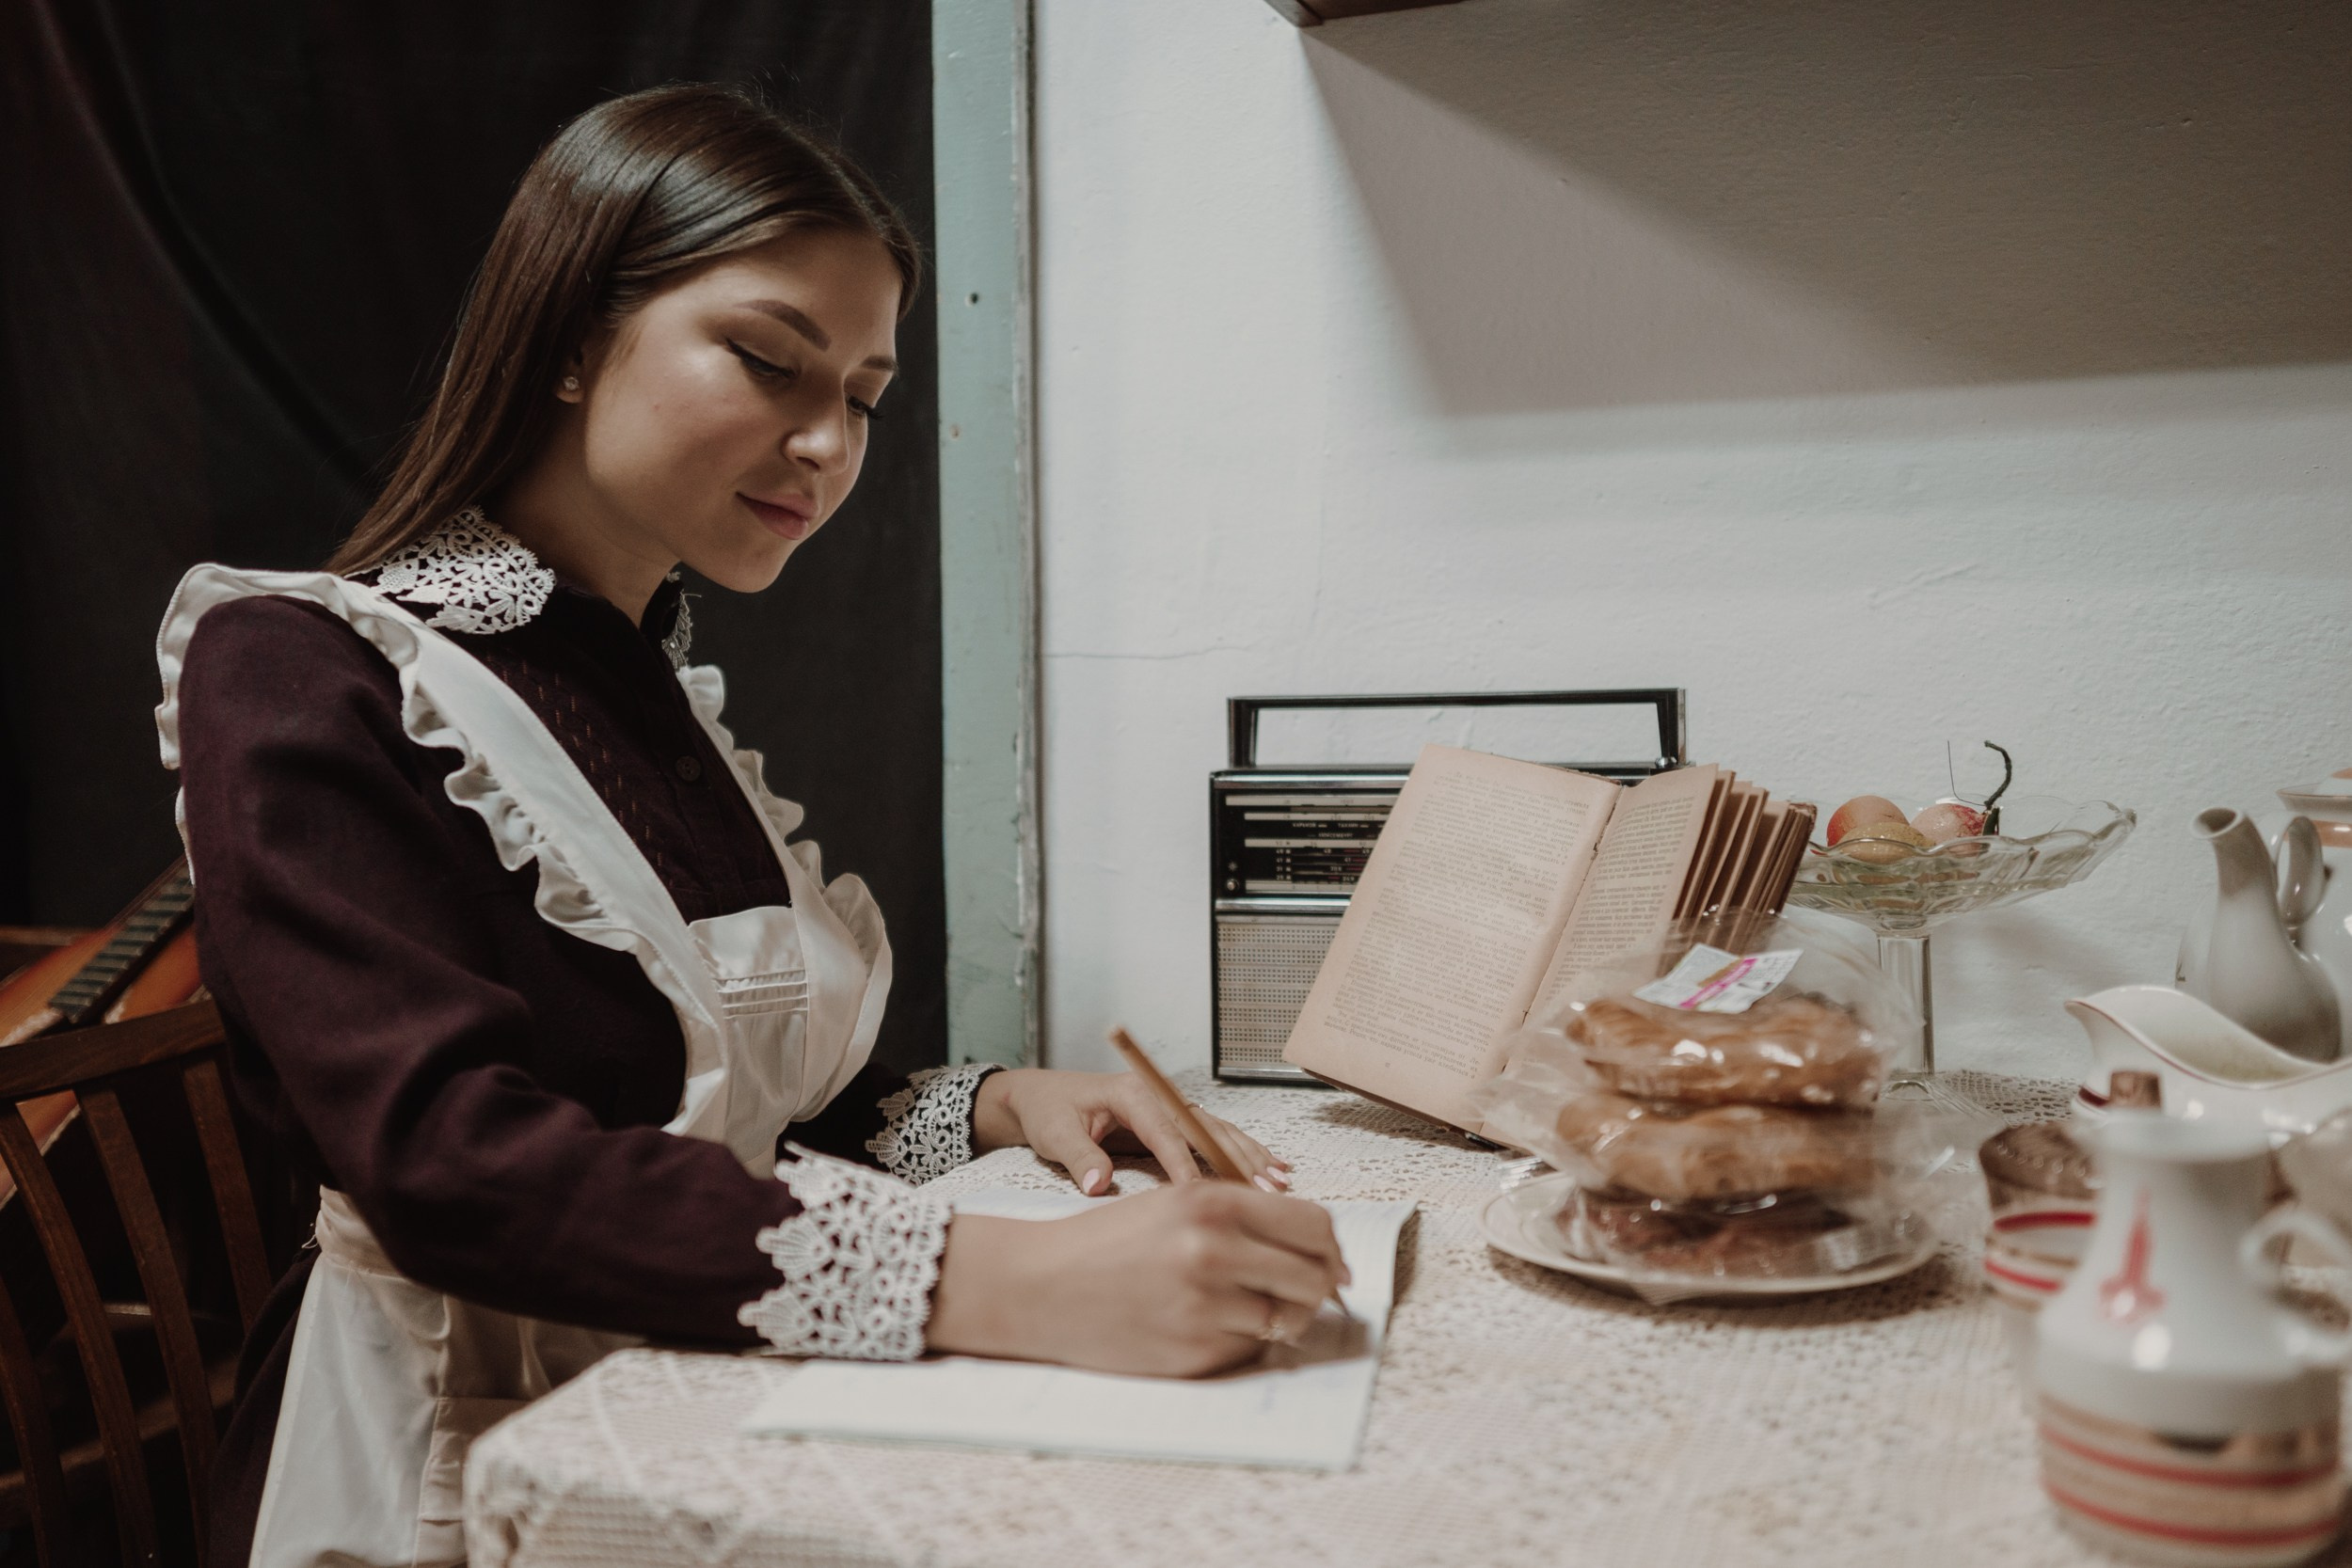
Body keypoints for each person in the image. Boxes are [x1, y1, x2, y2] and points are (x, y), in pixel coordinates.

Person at [159, 82, 1348, 1568]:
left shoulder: (650, 683)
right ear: (577, 336)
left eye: (861, 395)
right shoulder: (298, 664)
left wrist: (997, 1106)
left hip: (693, 1377)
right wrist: (997, 1279)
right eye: (771, 361)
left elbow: (720, 1105)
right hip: (444, 1457)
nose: (828, 446)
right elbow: (454, 1162)